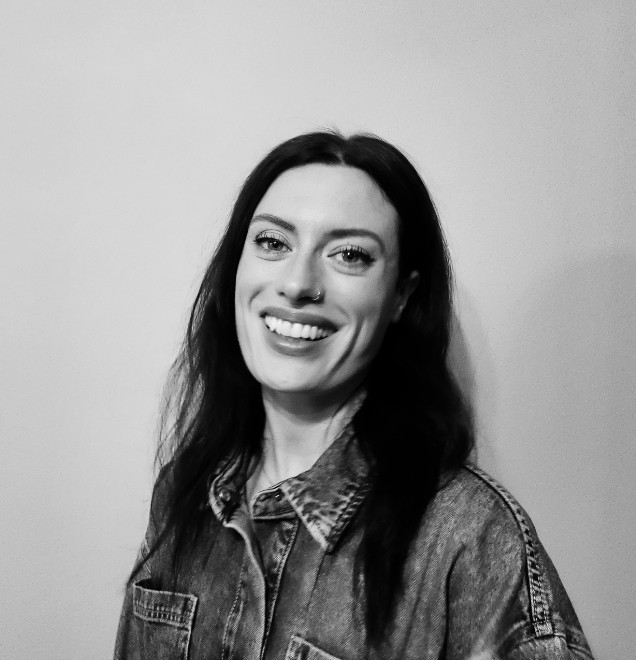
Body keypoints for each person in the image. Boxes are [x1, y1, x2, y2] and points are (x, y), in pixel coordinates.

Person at [114, 132, 594, 659]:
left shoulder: (470, 537)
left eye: (349, 254)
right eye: (273, 242)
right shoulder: (183, 492)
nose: (298, 283)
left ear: (402, 295)